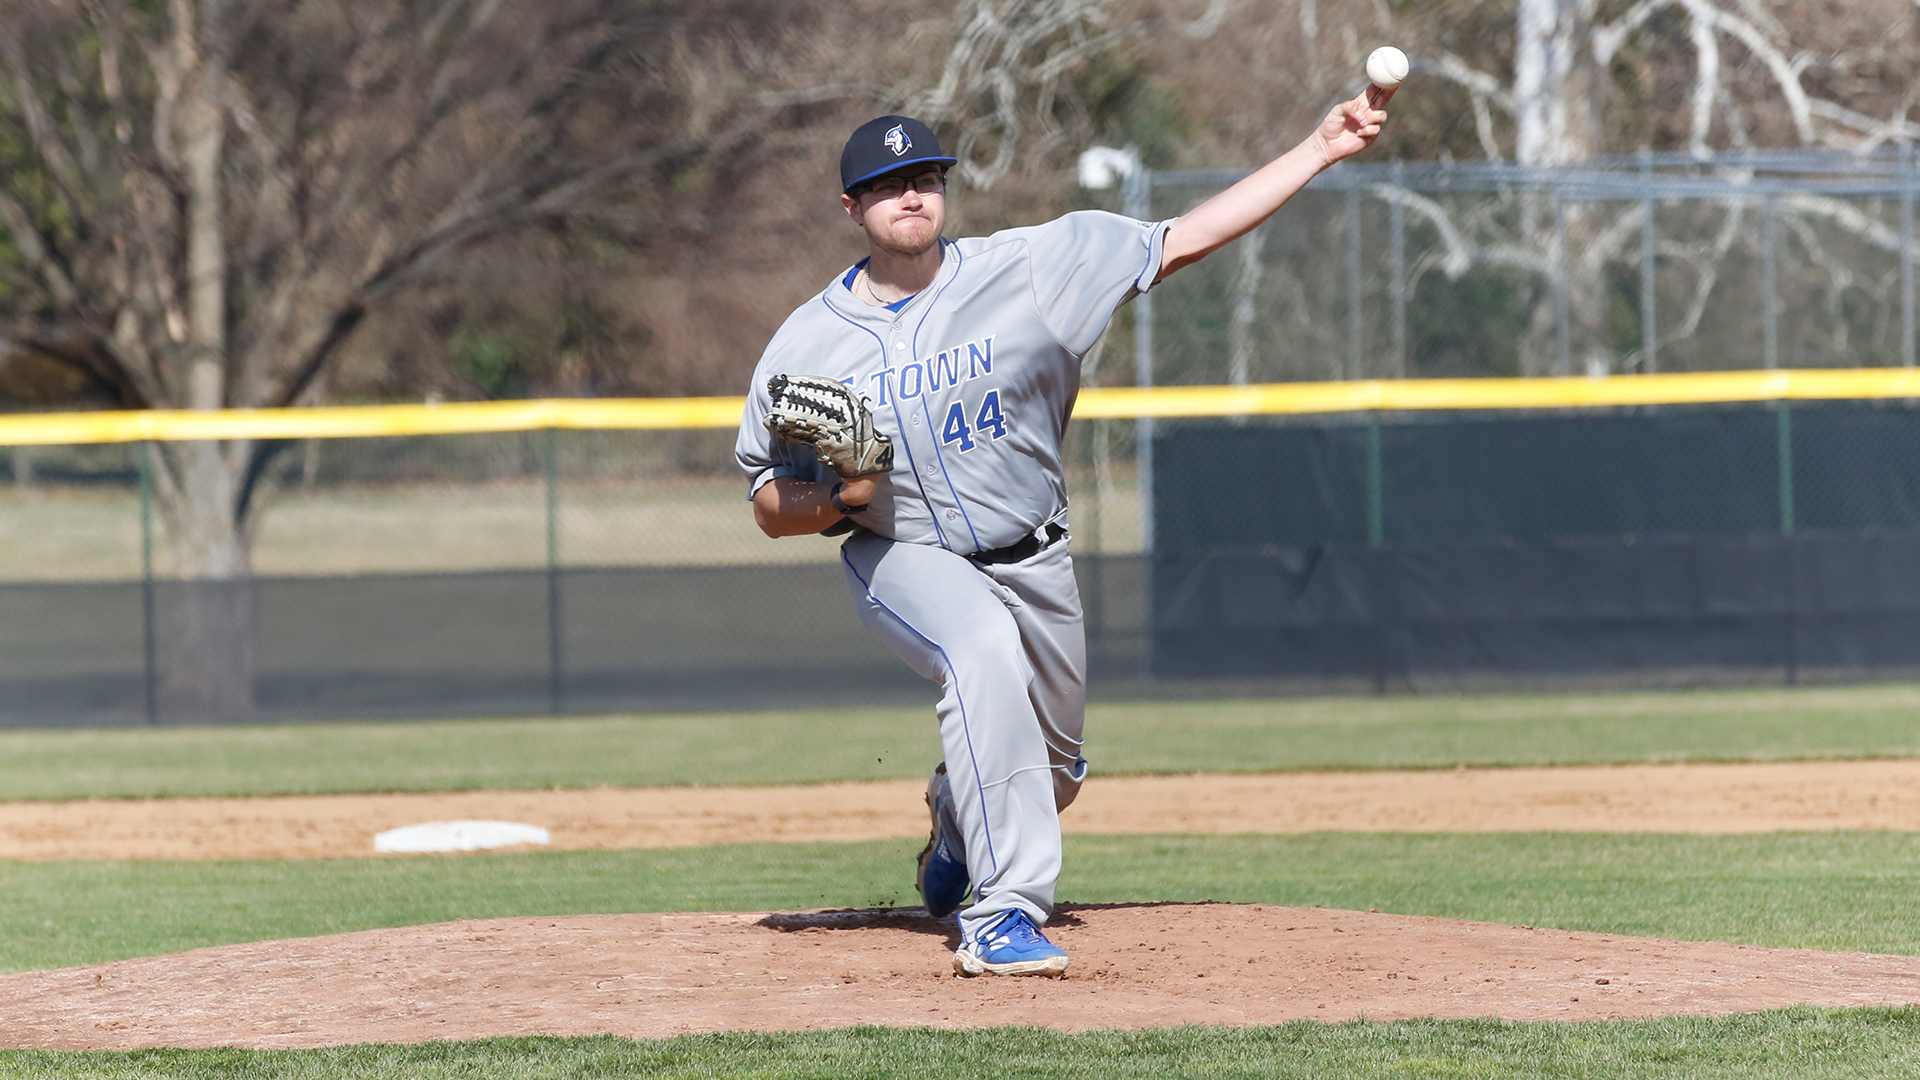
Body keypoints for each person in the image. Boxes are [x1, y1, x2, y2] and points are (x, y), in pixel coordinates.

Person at [735, 98, 1389, 976]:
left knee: (1054, 778)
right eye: (885, 186)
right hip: (903, 557)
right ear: (851, 209)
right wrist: (842, 496)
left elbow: (1181, 238)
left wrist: (1319, 145)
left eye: (925, 178)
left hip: (1033, 552)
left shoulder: (1032, 268)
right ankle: (1003, 912)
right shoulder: (805, 345)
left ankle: (960, 817)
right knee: (980, 648)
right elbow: (771, 504)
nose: (911, 196)